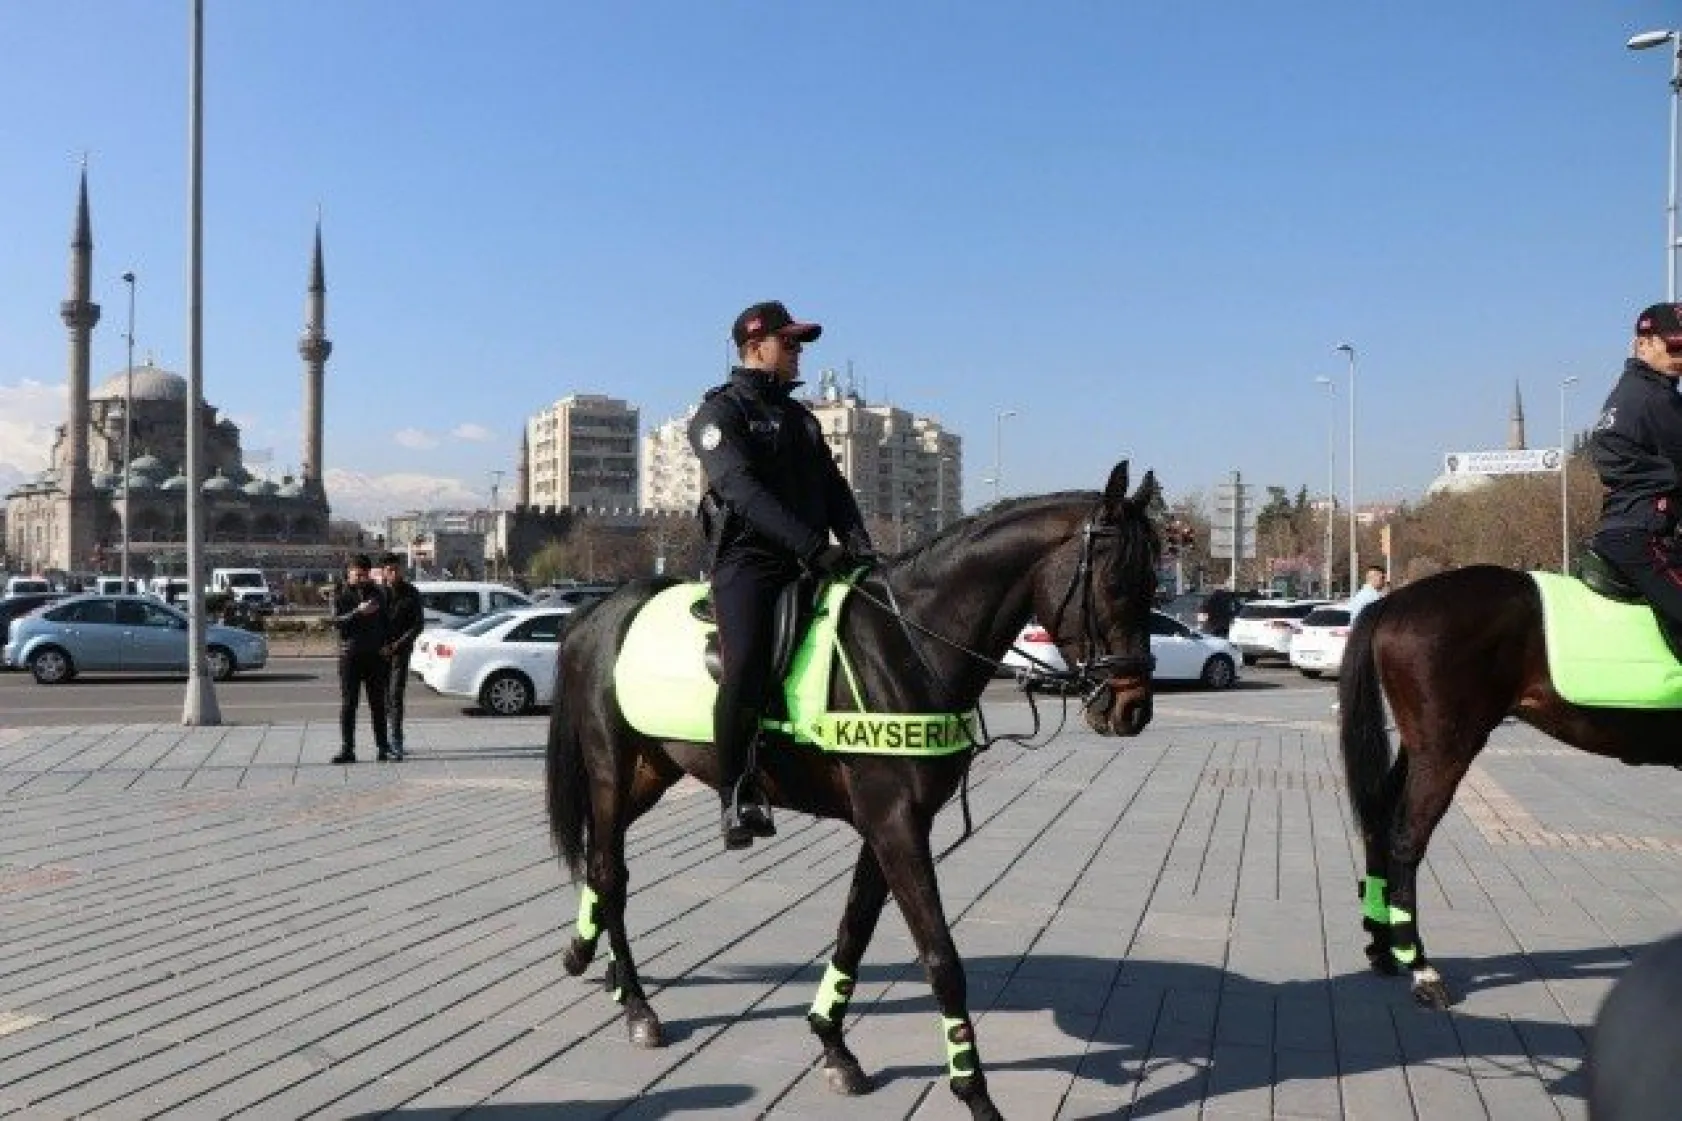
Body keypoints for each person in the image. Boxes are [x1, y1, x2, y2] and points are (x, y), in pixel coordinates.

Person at [689, 299, 875, 850]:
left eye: (798, 345)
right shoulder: (720, 415)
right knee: (745, 665)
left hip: (812, 557)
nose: (797, 355)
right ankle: (735, 793)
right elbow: (741, 492)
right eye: (789, 344)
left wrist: (862, 548)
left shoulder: (801, 419)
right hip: (750, 562)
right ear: (755, 345)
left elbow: (835, 490)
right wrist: (814, 549)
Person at [1589, 302, 1682, 631]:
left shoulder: (1629, 390)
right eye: (1675, 346)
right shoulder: (1655, 398)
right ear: (1643, 344)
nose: (1681, 356)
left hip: (1625, 528)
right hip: (1644, 535)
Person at [329, 554, 392, 764]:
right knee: (349, 704)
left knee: (378, 704)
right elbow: (336, 622)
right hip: (350, 656)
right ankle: (348, 748)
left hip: (375, 656)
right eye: (358, 574)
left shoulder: (378, 593)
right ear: (349, 573)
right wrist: (358, 612)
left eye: (365, 574)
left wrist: (387, 646)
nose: (362, 578)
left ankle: (383, 747)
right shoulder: (340, 594)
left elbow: (386, 623)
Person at [379, 552, 424, 761]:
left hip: (400, 652)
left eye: (397, 569)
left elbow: (417, 625)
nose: (394, 573)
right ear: (383, 573)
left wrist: (398, 644)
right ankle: (386, 738)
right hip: (379, 653)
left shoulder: (411, 593)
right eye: (389, 570)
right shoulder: (378, 594)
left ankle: (396, 739)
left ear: (401, 570)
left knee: (396, 695)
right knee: (384, 697)